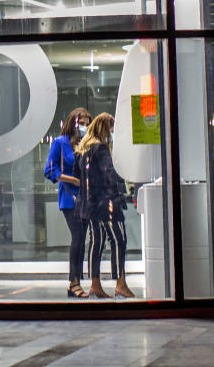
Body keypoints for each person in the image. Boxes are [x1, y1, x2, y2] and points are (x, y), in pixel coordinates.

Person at [73, 112, 136, 299]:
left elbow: (79, 177)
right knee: (119, 240)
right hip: (107, 203)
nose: (113, 133)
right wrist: (118, 198)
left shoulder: (85, 151)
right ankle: (120, 284)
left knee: (96, 242)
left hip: (90, 206)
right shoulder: (101, 149)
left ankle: (95, 284)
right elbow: (109, 176)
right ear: (105, 129)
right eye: (112, 129)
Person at [43, 107, 92, 298]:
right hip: (69, 197)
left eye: (87, 124)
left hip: (85, 197)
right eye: (82, 124)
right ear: (74, 123)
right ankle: (74, 281)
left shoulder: (86, 144)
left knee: (82, 240)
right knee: (78, 237)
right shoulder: (60, 143)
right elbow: (49, 170)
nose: (84, 127)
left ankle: (75, 282)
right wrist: (72, 180)